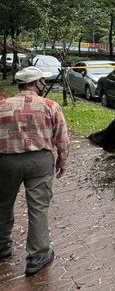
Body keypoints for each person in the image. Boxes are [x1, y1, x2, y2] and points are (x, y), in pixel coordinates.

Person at [0, 66, 70, 276]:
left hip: (6, 161)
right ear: (38, 83)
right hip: (39, 161)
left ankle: (2, 246)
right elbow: (62, 138)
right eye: (43, 81)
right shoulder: (50, 105)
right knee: (38, 208)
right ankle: (37, 256)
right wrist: (62, 160)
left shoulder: (2, 106)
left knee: (3, 203)